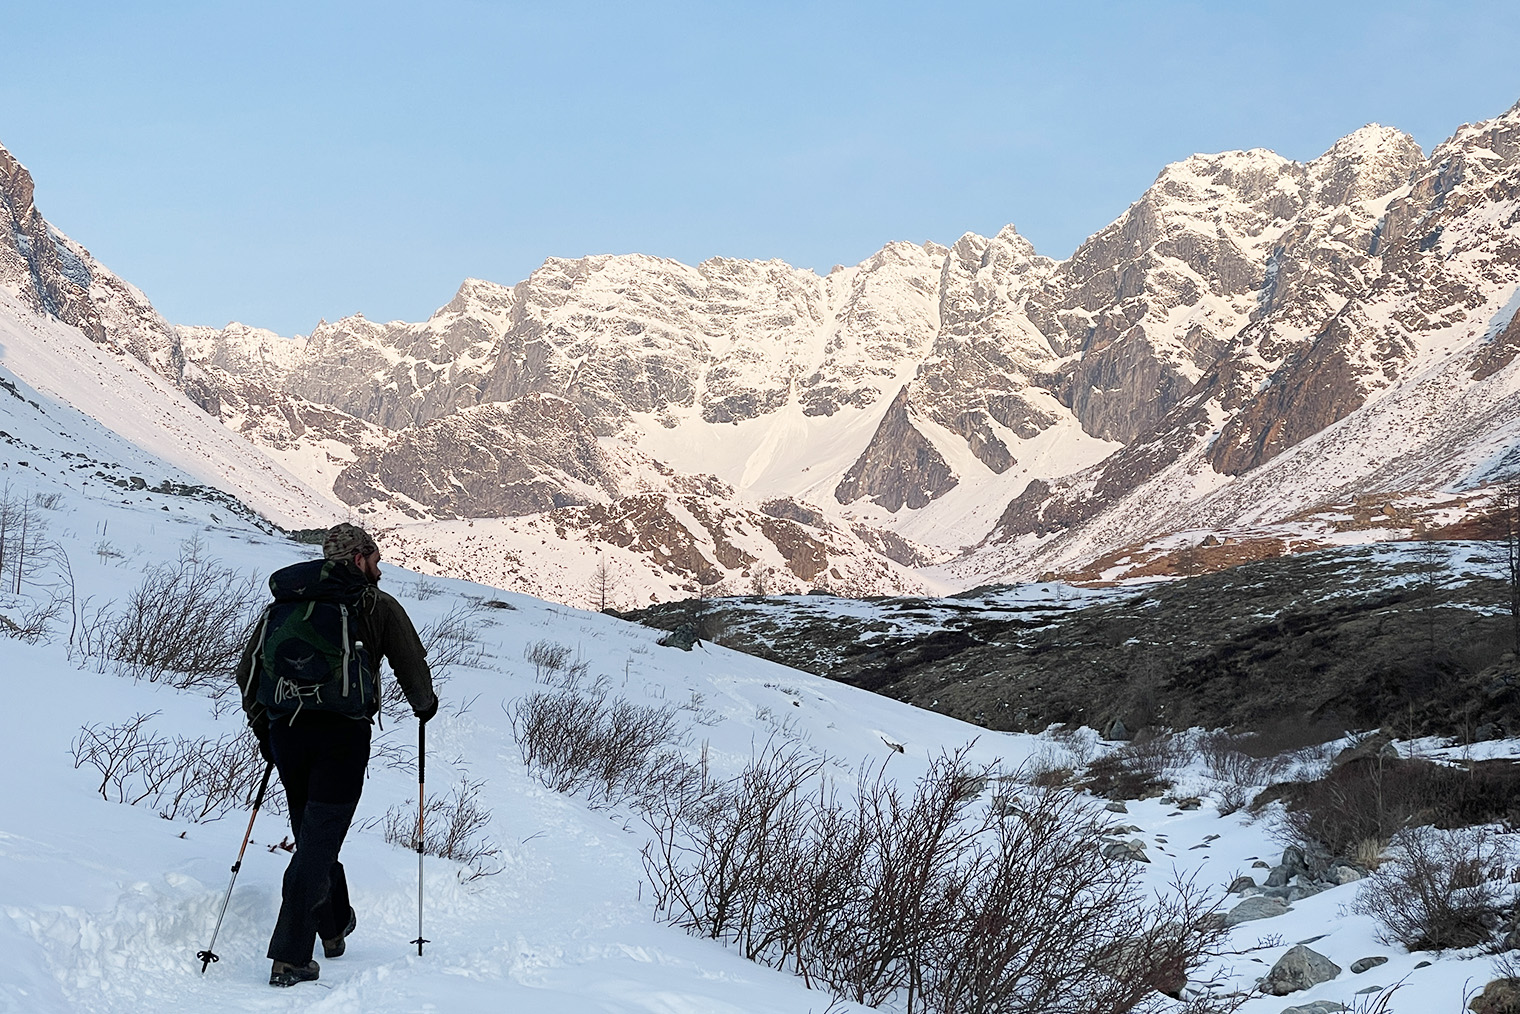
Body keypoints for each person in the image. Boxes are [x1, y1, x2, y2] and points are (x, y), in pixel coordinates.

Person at [236, 522, 438, 988]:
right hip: (342, 740)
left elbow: (248, 672)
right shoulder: (374, 604)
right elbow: (410, 664)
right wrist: (425, 706)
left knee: (313, 834)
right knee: (319, 838)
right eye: (375, 557)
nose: (380, 566)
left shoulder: (284, 605)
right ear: (358, 558)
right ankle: (289, 955)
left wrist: (264, 729)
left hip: (287, 735)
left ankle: (334, 924)